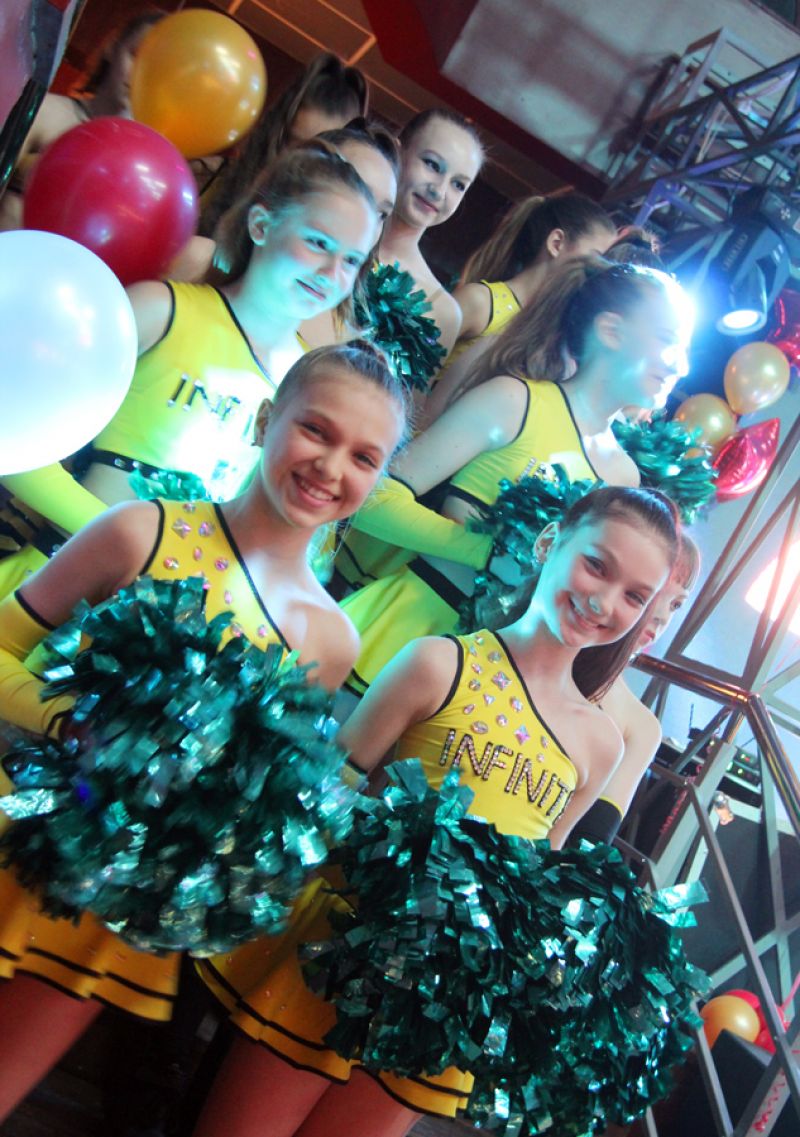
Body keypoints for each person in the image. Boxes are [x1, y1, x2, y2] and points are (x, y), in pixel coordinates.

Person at [0, 340, 409, 1125]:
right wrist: (88, 729)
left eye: (364, 456)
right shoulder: (140, 531)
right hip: (19, 835)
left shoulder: (333, 641)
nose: (330, 467)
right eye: (316, 429)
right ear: (265, 419)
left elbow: (258, 803)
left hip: (112, 910)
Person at [192, 485, 681, 1137]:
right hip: (347, 954)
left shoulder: (602, 744)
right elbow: (324, 799)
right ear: (549, 543)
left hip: (447, 1007)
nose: (605, 601)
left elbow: (541, 879)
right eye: (597, 565)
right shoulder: (438, 662)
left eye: (635, 596)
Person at [0, 141, 380, 596]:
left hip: (156, 631)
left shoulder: (310, 384)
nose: (332, 273)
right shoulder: (158, 310)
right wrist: (131, 541)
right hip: (45, 582)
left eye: (352, 261)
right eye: (318, 243)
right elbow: (12, 437)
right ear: (261, 225)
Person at [335, 258, 692, 691]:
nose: (682, 367)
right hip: (397, 637)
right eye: (669, 341)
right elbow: (370, 497)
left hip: (487, 681)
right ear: (611, 331)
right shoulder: (514, 401)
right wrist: (482, 552)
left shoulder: (624, 477)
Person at [425, 191, 616, 422]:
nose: (598, 274)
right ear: (556, 243)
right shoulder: (481, 302)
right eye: (595, 259)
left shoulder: (554, 339)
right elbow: (410, 370)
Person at [570, 533, 701, 845]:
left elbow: (587, 845)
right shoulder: (535, 655)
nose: (663, 616)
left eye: (676, 604)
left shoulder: (641, 728)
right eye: (655, 592)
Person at [0, 13, 162, 231]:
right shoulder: (47, 112)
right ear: (112, 47)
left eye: (157, 68)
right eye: (136, 55)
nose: (141, 75)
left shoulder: (148, 168)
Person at [198, 53, 368, 241]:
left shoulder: (328, 244)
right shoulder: (208, 179)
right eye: (294, 146)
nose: (302, 166)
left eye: (320, 155)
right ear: (274, 136)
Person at [377, 108, 485, 356]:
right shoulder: (334, 236)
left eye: (458, 184)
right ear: (398, 151)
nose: (439, 191)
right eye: (432, 165)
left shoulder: (442, 312)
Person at [298, 121, 401, 350]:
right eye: (356, 193)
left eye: (381, 214)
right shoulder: (211, 262)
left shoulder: (352, 349)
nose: (367, 224)